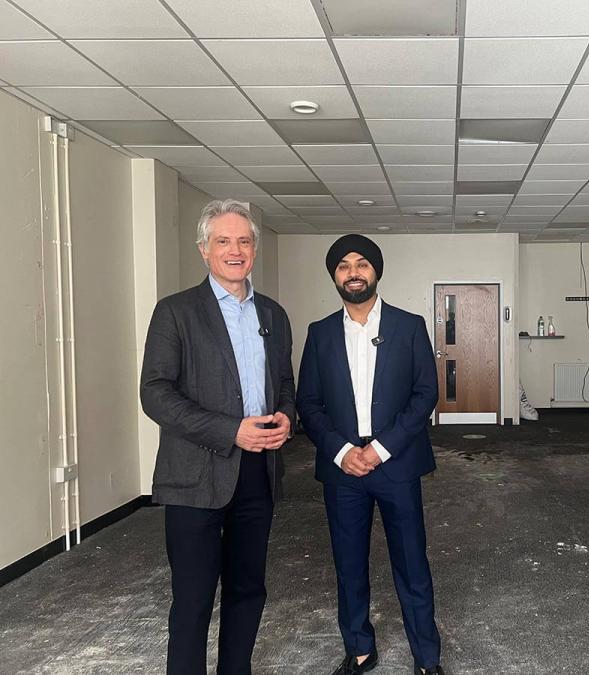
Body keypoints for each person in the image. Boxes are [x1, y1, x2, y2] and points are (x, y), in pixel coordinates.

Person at [140, 199, 295, 674]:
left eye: (244, 241)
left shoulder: (273, 313)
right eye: (223, 241)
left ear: (254, 249)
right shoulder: (176, 312)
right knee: (193, 598)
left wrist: (287, 416)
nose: (235, 250)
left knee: (248, 588)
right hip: (195, 475)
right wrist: (231, 431)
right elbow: (155, 394)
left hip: (257, 473)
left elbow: (284, 385)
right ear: (204, 250)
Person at [296, 234, 445, 675]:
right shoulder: (320, 333)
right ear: (334, 276)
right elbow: (309, 402)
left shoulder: (408, 325)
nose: (353, 272)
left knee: (412, 562)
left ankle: (426, 658)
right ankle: (359, 649)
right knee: (348, 564)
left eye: (362, 263)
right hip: (343, 469)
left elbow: (425, 395)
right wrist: (344, 451)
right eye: (343, 265)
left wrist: (379, 449)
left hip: (396, 463)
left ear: (376, 271)